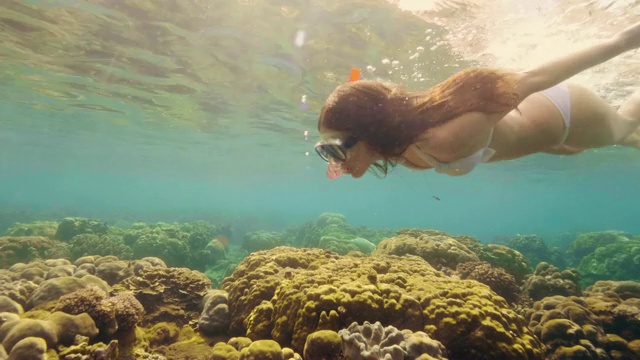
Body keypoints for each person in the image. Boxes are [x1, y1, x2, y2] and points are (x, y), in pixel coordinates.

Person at [314, 22, 640, 179]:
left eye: (334, 148)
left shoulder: (446, 136)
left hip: (566, 113)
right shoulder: (394, 144)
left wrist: (622, 41)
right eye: (326, 149)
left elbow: (534, 79)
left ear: (368, 130)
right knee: (618, 141)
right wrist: (349, 157)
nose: (333, 161)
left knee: (625, 127)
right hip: (550, 135)